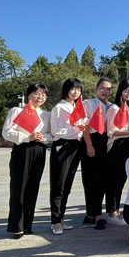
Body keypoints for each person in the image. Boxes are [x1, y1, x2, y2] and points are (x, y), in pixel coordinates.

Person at [2, 84, 52, 238]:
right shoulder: (17, 111)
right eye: (36, 93)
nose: (40, 97)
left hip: (39, 150)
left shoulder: (46, 114)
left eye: (43, 95)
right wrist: (27, 137)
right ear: (29, 94)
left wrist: (44, 138)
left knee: (33, 187)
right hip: (22, 150)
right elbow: (6, 132)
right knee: (18, 187)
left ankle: (27, 224)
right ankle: (16, 226)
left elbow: (52, 134)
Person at [50, 78, 87, 235]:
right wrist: (76, 129)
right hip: (62, 146)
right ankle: (55, 222)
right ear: (66, 90)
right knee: (58, 185)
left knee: (67, 186)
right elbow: (56, 131)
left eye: (78, 89)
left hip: (75, 146)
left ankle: (61, 218)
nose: (76, 92)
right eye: (73, 89)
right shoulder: (59, 108)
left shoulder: (76, 107)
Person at [81, 77, 113, 230]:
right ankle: (97, 216)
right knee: (92, 179)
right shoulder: (88, 103)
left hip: (105, 143)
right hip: (92, 142)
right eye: (102, 88)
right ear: (96, 89)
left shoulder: (111, 106)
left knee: (103, 179)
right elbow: (84, 126)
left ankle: (91, 213)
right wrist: (89, 145)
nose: (105, 91)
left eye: (108, 89)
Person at [105, 79, 129, 226]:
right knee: (114, 180)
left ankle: (117, 210)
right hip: (117, 146)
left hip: (127, 146)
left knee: (121, 180)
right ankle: (111, 212)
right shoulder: (114, 108)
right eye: (126, 91)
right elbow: (111, 131)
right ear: (120, 91)